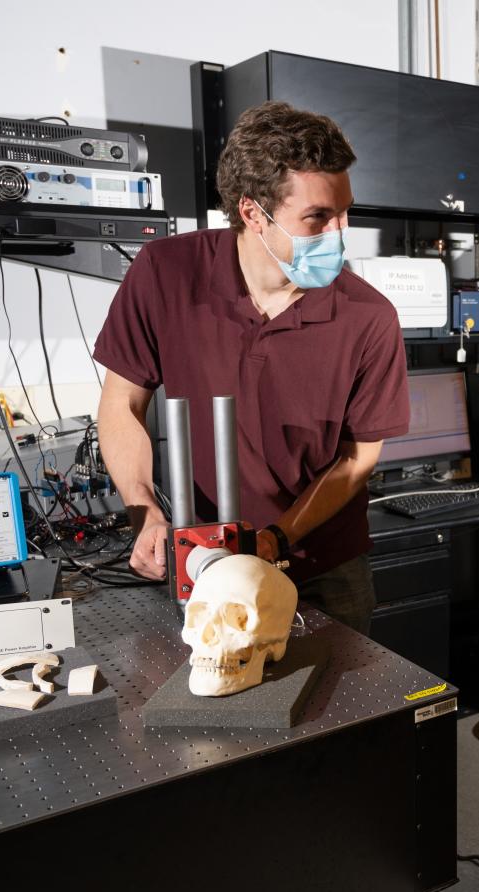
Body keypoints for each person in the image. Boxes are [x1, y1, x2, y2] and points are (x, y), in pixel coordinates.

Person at [94, 101, 409, 635]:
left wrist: (279, 536)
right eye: (318, 217)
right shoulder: (166, 274)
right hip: (204, 559)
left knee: (341, 706)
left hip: (323, 565)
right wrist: (143, 509)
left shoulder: (368, 317)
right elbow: (121, 404)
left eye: (345, 211)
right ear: (252, 213)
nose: (340, 231)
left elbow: (359, 457)